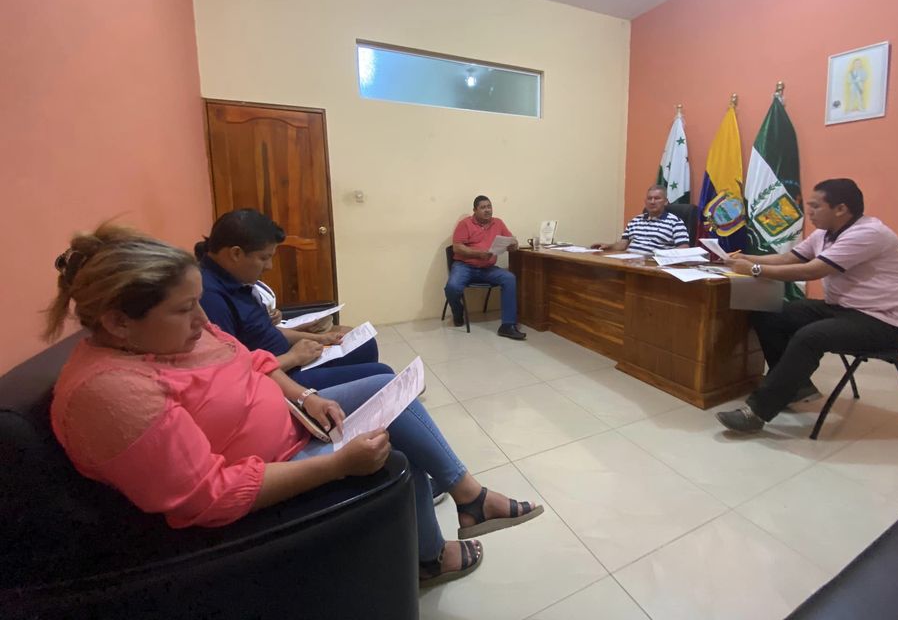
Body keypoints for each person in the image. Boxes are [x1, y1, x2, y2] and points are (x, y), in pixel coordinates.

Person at [45, 225, 543, 587]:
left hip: (293, 420)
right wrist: (337, 466)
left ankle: (468, 496)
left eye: (197, 302)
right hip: (271, 467)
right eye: (184, 308)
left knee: (386, 388)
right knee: (395, 450)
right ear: (118, 322)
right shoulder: (111, 393)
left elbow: (252, 361)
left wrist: (306, 396)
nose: (202, 319)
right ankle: (432, 555)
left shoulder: (170, 337)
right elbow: (207, 496)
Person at [716, 179, 898, 434]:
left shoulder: (867, 233)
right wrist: (746, 258)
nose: (809, 212)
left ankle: (757, 412)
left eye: (815, 206)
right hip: (846, 308)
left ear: (841, 209)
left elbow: (812, 270)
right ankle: (796, 387)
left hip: (885, 321)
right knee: (769, 313)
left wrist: (754, 270)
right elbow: (789, 258)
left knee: (811, 337)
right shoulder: (825, 232)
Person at [196, 210, 394, 391]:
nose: (269, 266)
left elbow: (264, 331)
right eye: (264, 258)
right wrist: (292, 358)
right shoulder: (210, 298)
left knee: (365, 345)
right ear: (236, 253)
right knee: (383, 375)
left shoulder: (237, 281)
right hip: (280, 377)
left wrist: (320, 339)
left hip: (290, 360)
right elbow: (232, 372)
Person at [445, 195, 525, 340]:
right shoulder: (465, 224)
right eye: (483, 207)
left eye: (489, 206)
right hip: (465, 266)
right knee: (452, 287)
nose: (487, 210)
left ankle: (507, 325)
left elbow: (512, 240)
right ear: (475, 210)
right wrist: (478, 254)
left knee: (509, 278)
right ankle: (458, 312)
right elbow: (457, 248)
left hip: (487, 269)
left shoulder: (498, 223)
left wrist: (513, 245)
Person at [592, 185, 690, 253]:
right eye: (649, 198)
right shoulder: (635, 220)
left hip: (653, 266)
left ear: (665, 202)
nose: (652, 202)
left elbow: (684, 249)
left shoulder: (675, 222)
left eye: (657, 198)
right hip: (630, 263)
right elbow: (622, 245)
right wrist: (609, 246)